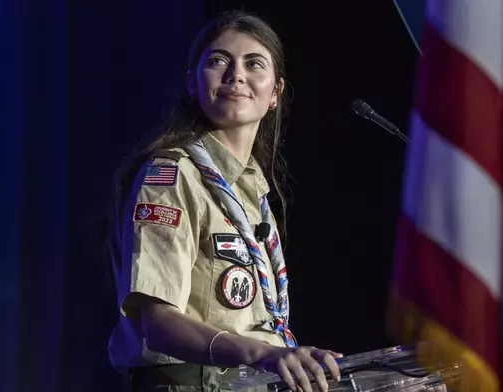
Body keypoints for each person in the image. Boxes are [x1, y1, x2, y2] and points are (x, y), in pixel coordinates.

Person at [106, 10, 343, 392]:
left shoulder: (253, 192)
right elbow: (158, 323)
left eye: (254, 64)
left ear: (275, 94)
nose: (236, 75)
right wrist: (263, 354)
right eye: (218, 61)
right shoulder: (171, 175)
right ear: (192, 83)